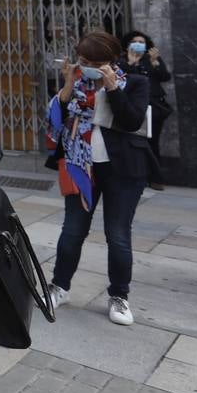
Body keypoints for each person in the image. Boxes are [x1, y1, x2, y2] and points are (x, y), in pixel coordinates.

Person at [46, 30, 152, 327]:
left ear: (111, 60)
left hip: (123, 170)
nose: (88, 65)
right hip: (80, 166)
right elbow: (54, 120)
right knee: (72, 231)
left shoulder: (135, 82)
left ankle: (119, 296)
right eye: (84, 59)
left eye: (96, 61)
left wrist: (113, 88)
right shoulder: (75, 82)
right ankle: (59, 287)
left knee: (117, 235)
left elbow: (132, 120)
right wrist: (67, 84)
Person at [120, 30, 172, 190]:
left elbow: (165, 77)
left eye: (142, 42)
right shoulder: (122, 61)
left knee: (152, 143)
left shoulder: (152, 59)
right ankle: (136, 176)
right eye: (135, 42)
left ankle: (155, 177)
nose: (138, 44)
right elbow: (124, 81)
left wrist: (156, 63)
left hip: (154, 107)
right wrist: (131, 63)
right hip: (134, 109)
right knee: (134, 143)